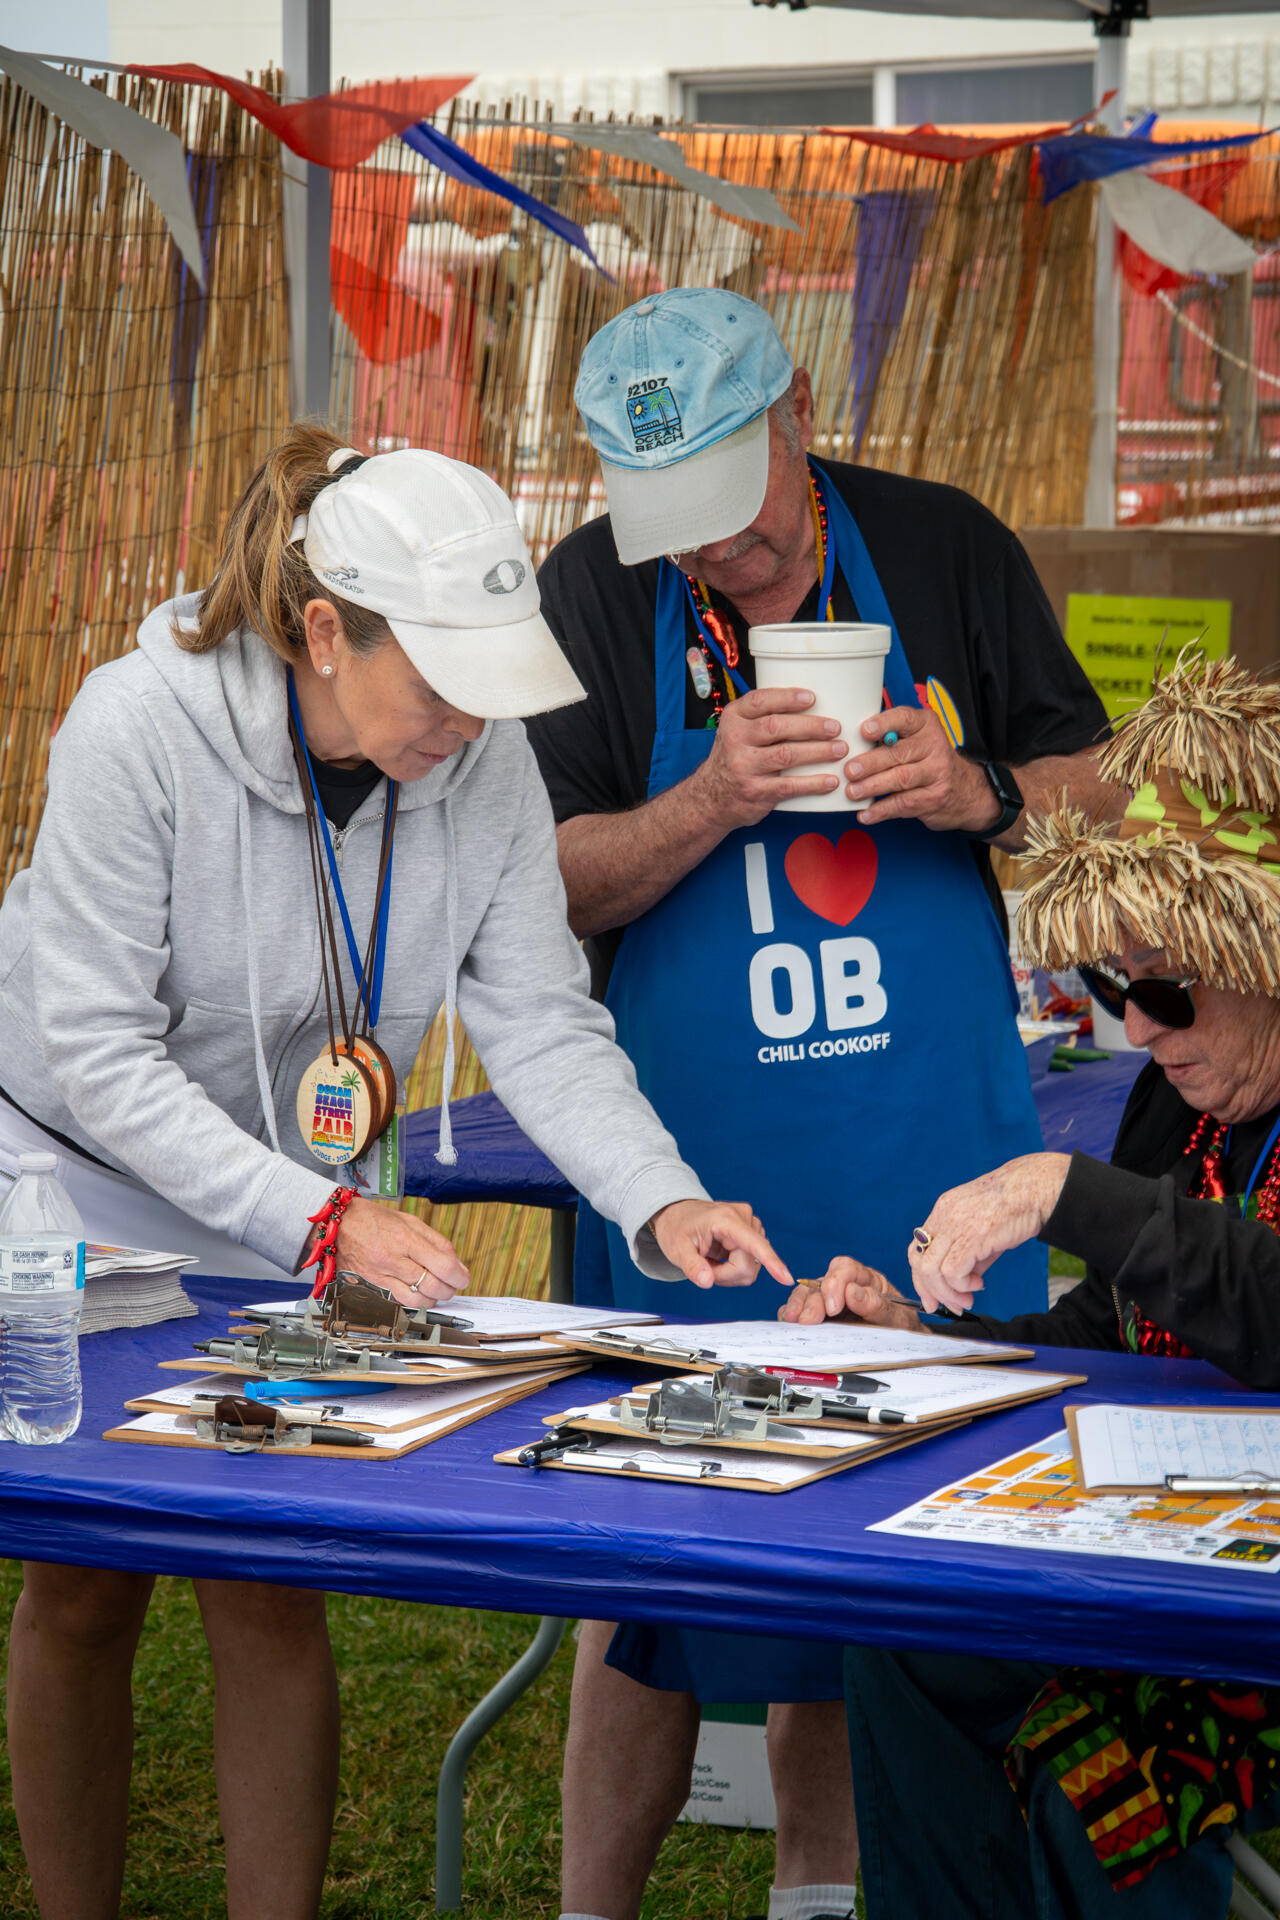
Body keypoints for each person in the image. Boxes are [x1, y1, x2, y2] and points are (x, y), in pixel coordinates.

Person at [0, 425, 791, 1920]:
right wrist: (329, 1215)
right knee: (84, 1577)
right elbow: (96, 1054)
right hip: (73, 1172)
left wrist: (660, 1195)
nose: (471, 723)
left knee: (268, 1575)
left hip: (298, 1193)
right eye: (442, 684)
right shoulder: (134, 725)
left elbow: (544, 1021)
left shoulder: (472, 759)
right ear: (322, 630)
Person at [526, 288, 1118, 1920]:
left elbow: (1103, 786)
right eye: (681, 530)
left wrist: (976, 788)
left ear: (795, 409)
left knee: (884, 1576)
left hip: (930, 1159)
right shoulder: (591, 591)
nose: (713, 556)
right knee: (639, 1583)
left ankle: (820, 1896)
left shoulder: (941, 546)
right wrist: (712, 794)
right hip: (693, 1175)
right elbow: (549, 889)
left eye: (733, 509)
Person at [787, 650, 1280, 1919]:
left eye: (1163, 985)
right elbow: (1113, 1328)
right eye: (1115, 988)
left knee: (1090, 1766)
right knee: (903, 1638)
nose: (1135, 1029)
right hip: (1176, 1563)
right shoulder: (1182, 1106)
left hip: (1252, 1626)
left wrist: (1063, 1191)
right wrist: (928, 1342)